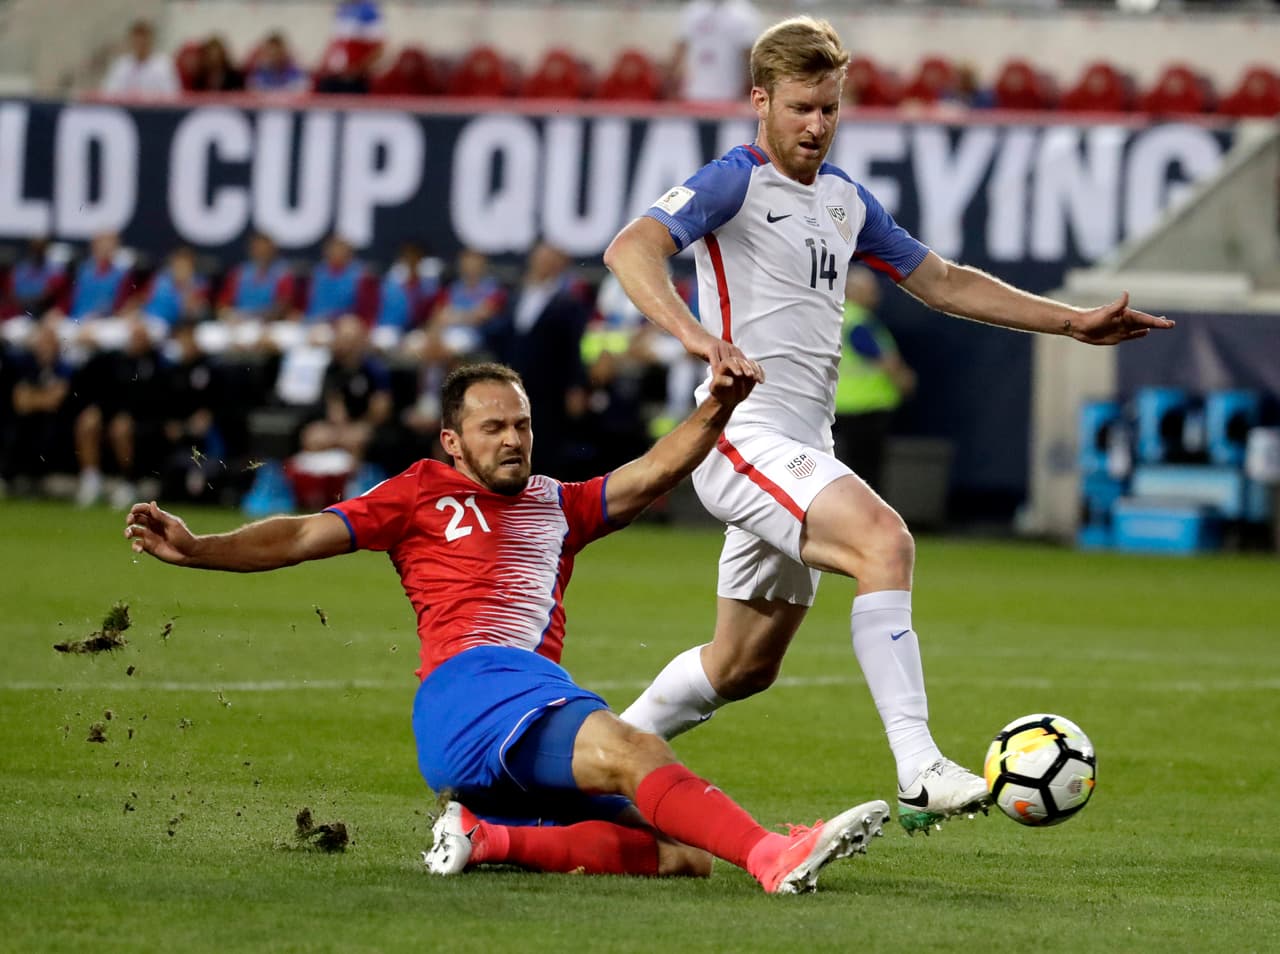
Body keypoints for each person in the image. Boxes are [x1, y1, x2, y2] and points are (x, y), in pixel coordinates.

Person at [603, 15, 1174, 834]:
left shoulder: (843, 200)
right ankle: (919, 767)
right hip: (743, 435)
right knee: (885, 541)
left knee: (742, 665)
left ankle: (594, 763)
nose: (816, 126)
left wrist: (1071, 321)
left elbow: (942, 281)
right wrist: (701, 339)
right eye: (801, 107)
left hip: (802, 444)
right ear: (759, 101)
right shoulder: (734, 180)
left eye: (830, 109)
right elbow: (631, 248)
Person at [123, 360, 890, 893]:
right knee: (634, 749)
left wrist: (718, 405)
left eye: (522, 425)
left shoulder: (559, 503)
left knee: (682, 853)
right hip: (471, 687)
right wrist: (199, 549)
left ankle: (488, 837)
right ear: (453, 442)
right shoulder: (419, 493)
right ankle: (771, 854)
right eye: (494, 428)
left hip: (510, 717)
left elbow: (655, 471)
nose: (514, 440)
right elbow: (297, 536)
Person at [832, 265, 916, 495]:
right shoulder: (858, 321)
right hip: (866, 407)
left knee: (848, 468)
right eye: (869, 289)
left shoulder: (837, 316)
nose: (875, 294)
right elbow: (881, 359)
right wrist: (903, 379)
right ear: (852, 291)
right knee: (867, 473)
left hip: (842, 404)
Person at [672, 0, 760, 102]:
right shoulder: (693, 10)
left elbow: (750, 55)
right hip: (694, 93)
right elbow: (681, 47)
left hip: (730, 94)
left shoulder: (744, 13)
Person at [101, 20, 180, 97]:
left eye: (144, 37)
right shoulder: (122, 64)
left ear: (151, 39)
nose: (140, 41)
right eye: (137, 37)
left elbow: (172, 94)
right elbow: (110, 92)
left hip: (155, 108)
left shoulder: (163, 64)